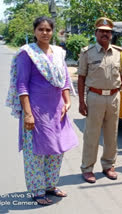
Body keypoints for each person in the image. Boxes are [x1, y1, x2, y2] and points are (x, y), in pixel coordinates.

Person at [6, 16, 78, 205]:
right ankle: (37, 190)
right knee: (36, 152)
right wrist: (28, 114)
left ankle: (50, 185)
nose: (45, 33)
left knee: (57, 150)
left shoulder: (59, 53)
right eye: (41, 29)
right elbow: (22, 85)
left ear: (52, 31)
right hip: (36, 111)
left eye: (48, 29)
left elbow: (64, 81)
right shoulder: (27, 54)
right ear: (34, 31)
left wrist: (67, 102)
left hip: (57, 111)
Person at [78, 17, 122, 183]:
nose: (105, 34)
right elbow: (80, 78)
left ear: (111, 34)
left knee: (111, 135)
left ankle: (108, 165)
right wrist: (81, 101)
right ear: (96, 33)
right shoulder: (87, 52)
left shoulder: (118, 53)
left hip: (114, 96)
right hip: (95, 96)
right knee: (91, 135)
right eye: (102, 31)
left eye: (108, 32)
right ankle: (87, 168)